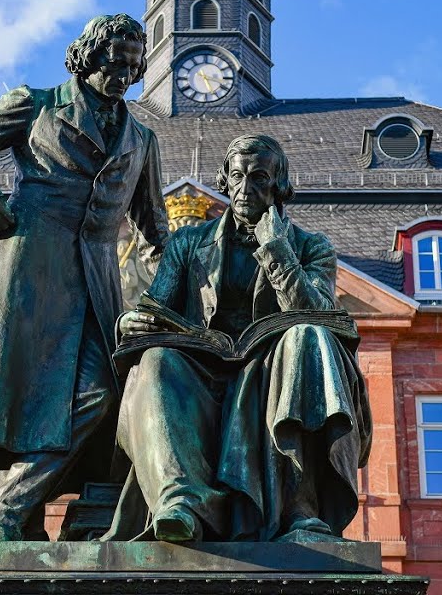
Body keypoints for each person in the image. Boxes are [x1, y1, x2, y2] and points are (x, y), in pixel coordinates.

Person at [0, 14, 169, 541]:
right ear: (89, 56)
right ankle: (20, 519)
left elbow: (155, 233)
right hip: (25, 265)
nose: (122, 74)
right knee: (15, 396)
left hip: (99, 282)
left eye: (131, 66)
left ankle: (3, 513)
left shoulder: (142, 138)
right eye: (112, 61)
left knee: (99, 394)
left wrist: (172, 298)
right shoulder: (34, 104)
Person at [106, 134, 371, 543]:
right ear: (225, 181)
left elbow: (317, 312)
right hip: (201, 369)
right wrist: (131, 323)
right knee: (157, 360)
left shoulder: (310, 246)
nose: (246, 190)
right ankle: (181, 502)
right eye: (237, 177)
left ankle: (300, 508)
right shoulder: (188, 243)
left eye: (259, 178)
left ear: (278, 186)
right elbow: (155, 307)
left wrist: (277, 248)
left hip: (274, 370)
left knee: (305, 337)